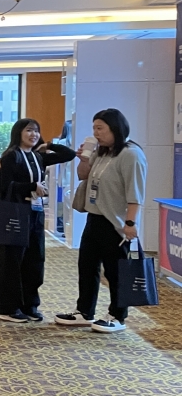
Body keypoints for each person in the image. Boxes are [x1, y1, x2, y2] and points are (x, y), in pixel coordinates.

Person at [56, 109, 147, 333]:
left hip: (115, 222)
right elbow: (83, 175)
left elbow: (135, 193)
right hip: (94, 217)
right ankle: (84, 311)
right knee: (87, 266)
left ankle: (118, 315)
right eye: (94, 128)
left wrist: (130, 223)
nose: (96, 133)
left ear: (115, 128)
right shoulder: (102, 152)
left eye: (100, 128)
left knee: (116, 271)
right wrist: (85, 158)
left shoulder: (131, 154)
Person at [0, 119, 76, 322]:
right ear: (18, 133)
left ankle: (29, 304)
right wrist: (32, 186)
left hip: (36, 213)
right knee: (12, 261)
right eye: (29, 130)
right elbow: (7, 185)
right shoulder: (12, 156)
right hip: (16, 212)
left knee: (35, 260)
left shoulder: (37, 156)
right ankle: (7, 307)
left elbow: (69, 155)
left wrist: (49, 145)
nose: (33, 135)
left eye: (36, 131)